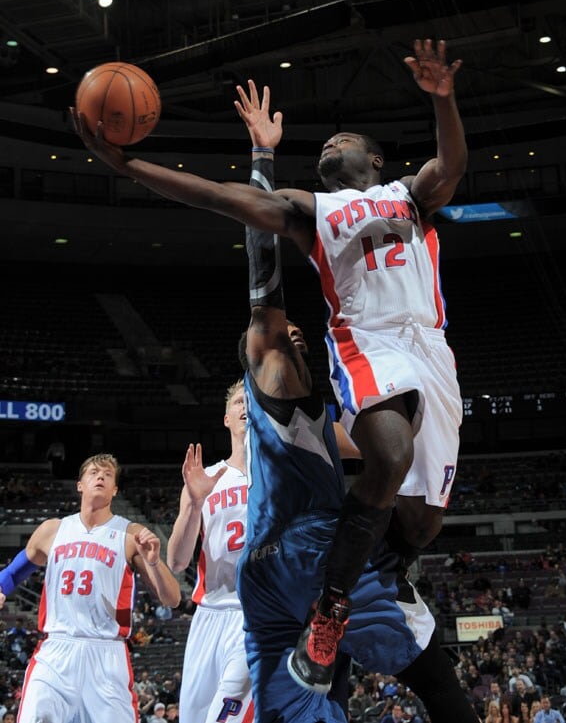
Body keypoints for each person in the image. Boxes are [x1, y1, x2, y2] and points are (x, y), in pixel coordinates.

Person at [71, 36, 467, 691]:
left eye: (343, 139)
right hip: (368, 341)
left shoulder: (410, 195)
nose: (328, 145)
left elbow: (451, 164)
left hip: (432, 349)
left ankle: (371, 573)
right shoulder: (315, 210)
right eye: (323, 146)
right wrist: (128, 166)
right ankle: (331, 612)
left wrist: (443, 101)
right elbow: (220, 197)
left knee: (423, 521)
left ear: (375, 159)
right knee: (389, 455)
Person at [228, 88, 479, 723]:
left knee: (308, 709)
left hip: (278, 571)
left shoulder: (337, 417)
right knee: (441, 688)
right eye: (286, 337)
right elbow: (264, 276)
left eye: (296, 335)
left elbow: (386, 466)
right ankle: (356, 596)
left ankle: (362, 594)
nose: (295, 336)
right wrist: (261, 154)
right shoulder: (275, 384)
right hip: (304, 554)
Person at [0, 453, 180, 723]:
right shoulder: (52, 530)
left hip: (106, 654)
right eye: (94, 472)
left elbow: (173, 599)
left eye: (108, 475)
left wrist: (153, 563)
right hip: (57, 651)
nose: (101, 477)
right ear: (80, 484)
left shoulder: (131, 534)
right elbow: (14, 573)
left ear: (115, 489)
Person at [166, 379, 252, 723]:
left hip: (257, 616)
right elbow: (176, 561)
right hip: (209, 614)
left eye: (252, 401)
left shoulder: (283, 476)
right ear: (227, 418)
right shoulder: (207, 477)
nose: (245, 407)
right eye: (238, 402)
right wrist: (194, 504)